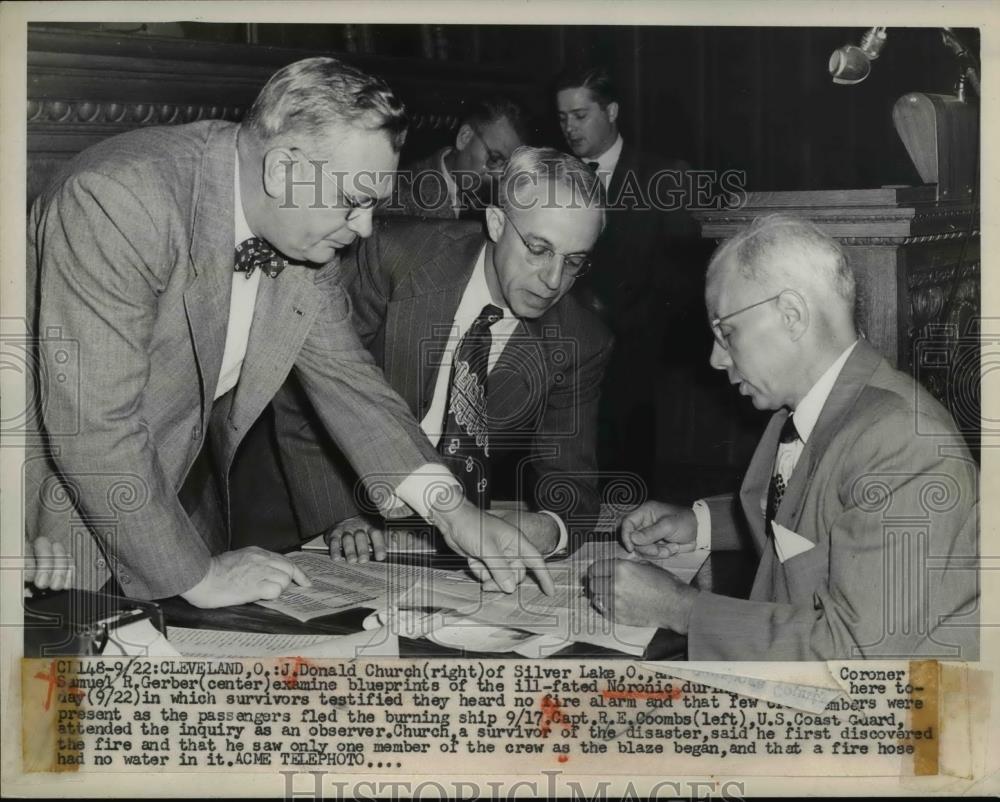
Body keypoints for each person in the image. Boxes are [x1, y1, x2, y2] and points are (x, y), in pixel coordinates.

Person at [25, 56, 553, 608]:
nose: (366, 229)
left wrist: (456, 513)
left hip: (161, 507)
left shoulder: (300, 228)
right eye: (356, 202)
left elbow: (351, 383)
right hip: (50, 522)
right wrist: (196, 578)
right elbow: (94, 427)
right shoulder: (119, 199)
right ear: (282, 170)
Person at [586, 214, 979, 660]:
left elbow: (857, 655)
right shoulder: (813, 409)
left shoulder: (903, 443)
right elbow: (814, 513)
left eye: (727, 332)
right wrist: (701, 524)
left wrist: (681, 608)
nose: (716, 358)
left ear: (791, 315)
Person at [271, 147, 611, 562]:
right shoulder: (395, 258)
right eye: (539, 249)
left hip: (454, 537)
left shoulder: (580, 340)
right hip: (313, 507)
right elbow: (302, 389)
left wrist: (546, 529)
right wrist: (338, 515)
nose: (554, 280)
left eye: (574, 261)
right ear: (497, 221)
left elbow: (573, 487)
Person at [555, 65, 700, 491]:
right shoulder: (551, 174)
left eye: (580, 115)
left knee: (626, 487)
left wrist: (618, 318)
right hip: (561, 361)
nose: (569, 128)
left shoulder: (665, 175)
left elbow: (681, 278)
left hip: (634, 368)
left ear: (612, 110)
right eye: (562, 117)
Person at [388, 95, 528, 219]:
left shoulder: (498, 204)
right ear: (464, 138)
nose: (498, 176)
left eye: (508, 168)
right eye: (494, 159)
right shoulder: (400, 198)